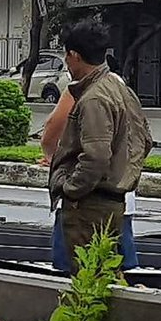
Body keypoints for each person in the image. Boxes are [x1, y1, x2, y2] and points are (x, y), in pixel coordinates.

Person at [46, 16, 152, 257]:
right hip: (112, 201)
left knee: (88, 279)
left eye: (66, 56)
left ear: (74, 55)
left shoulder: (94, 97)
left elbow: (96, 156)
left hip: (90, 206)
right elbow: (144, 140)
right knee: (106, 277)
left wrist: (70, 187)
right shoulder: (119, 88)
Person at [41, 81, 140, 273]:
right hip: (120, 201)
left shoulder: (83, 89)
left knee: (75, 277)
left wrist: (59, 164)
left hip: (81, 206)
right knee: (121, 277)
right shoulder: (122, 90)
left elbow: (50, 134)